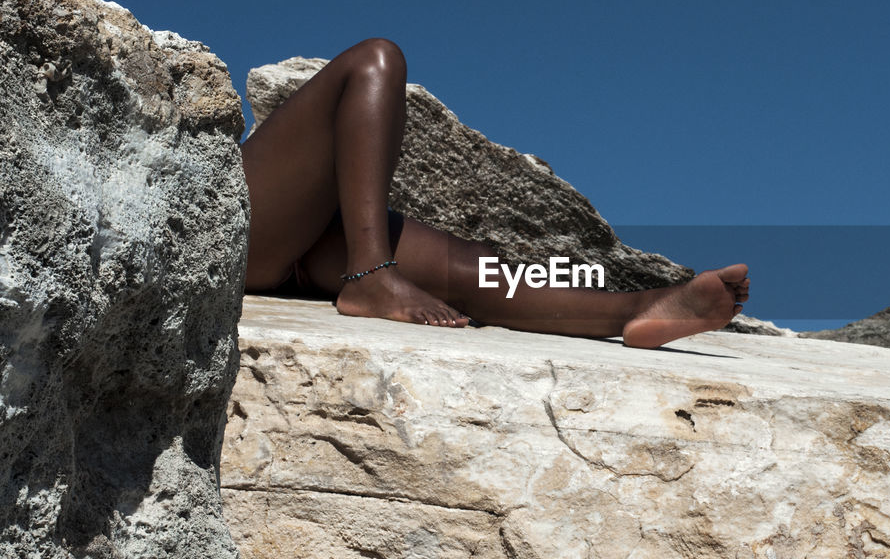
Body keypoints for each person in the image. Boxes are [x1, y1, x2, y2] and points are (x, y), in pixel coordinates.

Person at [239, 38, 749, 349]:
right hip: (236, 236)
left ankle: (642, 310)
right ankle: (371, 274)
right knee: (375, 60)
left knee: (473, 269)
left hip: (293, 241)